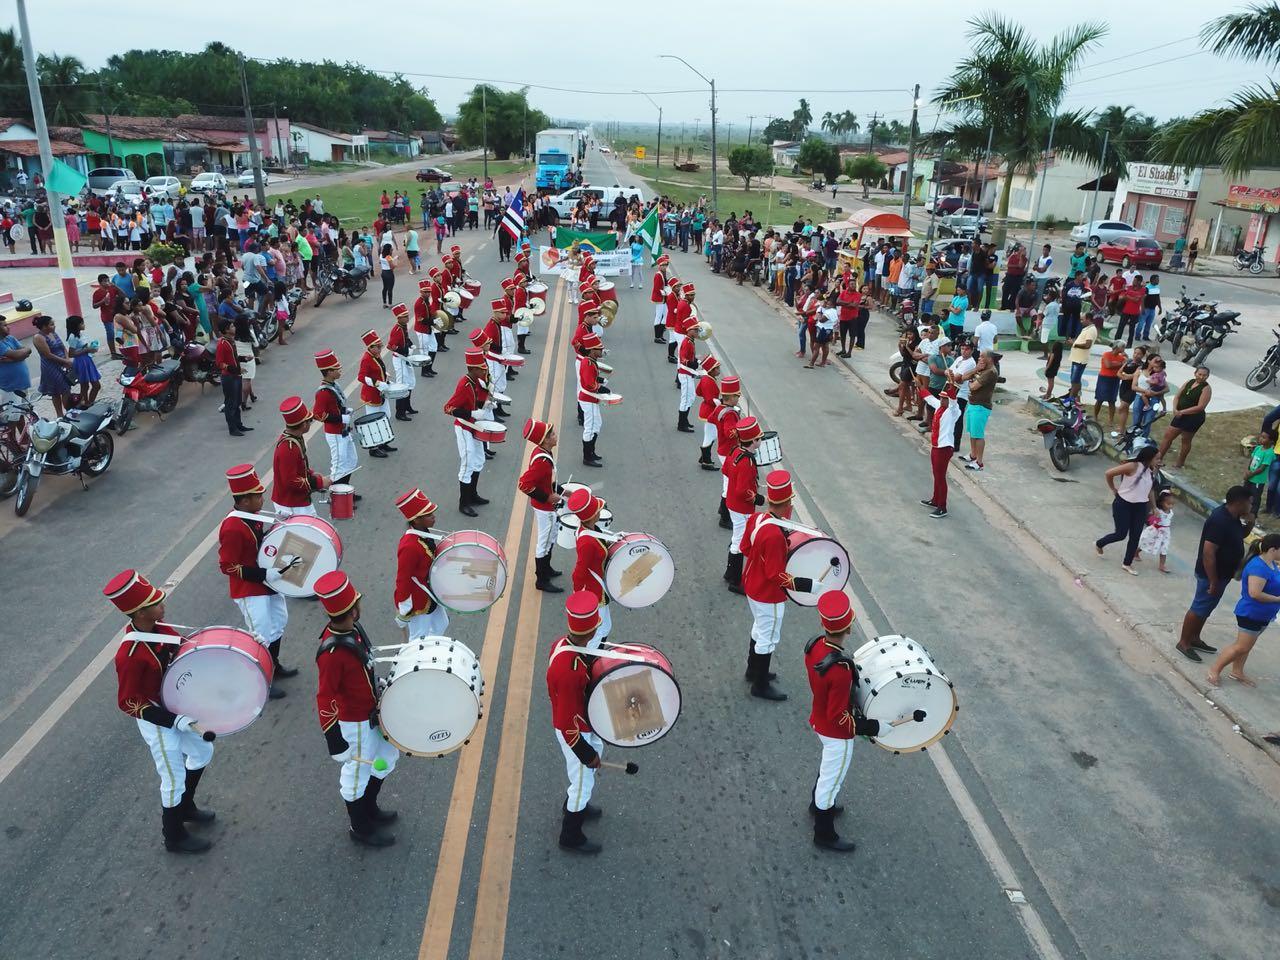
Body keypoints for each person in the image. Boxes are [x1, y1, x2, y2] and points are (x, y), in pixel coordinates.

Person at [103, 569, 216, 854]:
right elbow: (129, 702)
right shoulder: (129, 656)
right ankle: (174, 836)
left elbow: (184, 655)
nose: (163, 604)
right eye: (156, 602)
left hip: (175, 709)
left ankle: (186, 807)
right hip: (156, 719)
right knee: (172, 778)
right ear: (141, 613)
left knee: (203, 752)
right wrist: (173, 720)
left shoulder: (161, 629)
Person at [313, 570, 399, 847]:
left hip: (371, 711)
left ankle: (369, 807)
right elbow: (324, 697)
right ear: (353, 610)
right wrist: (334, 739)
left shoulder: (352, 630)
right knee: (355, 774)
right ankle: (359, 826)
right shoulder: (332, 653)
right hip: (355, 721)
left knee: (388, 756)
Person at [806, 590, 881, 853]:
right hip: (835, 733)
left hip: (817, 718)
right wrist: (871, 727)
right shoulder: (840, 671)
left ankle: (817, 804)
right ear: (849, 627)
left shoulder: (815, 645)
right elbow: (838, 716)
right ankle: (823, 833)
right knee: (832, 780)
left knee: (828, 769)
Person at [217, 464, 297, 699]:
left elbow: (260, 544)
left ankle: (274, 665)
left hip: (269, 582)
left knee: (279, 622)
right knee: (260, 633)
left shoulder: (253, 515)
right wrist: (263, 575)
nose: (262, 499)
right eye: (257, 496)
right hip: (250, 589)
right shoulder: (232, 527)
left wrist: (278, 527)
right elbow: (227, 566)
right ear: (243, 501)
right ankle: (261, 680)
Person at [547, 590, 608, 854]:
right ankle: (570, 835)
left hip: (580, 721)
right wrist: (587, 753)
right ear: (593, 630)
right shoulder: (569, 672)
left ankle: (574, 804)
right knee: (583, 782)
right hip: (576, 731)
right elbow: (566, 724)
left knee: (582, 779)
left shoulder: (563, 644)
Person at [741, 469, 807, 701]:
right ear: (787, 502)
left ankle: (753, 670)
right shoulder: (776, 536)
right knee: (768, 636)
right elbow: (775, 574)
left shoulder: (757, 518)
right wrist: (802, 584)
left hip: (751, 583)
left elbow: (745, 549)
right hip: (768, 594)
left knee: (759, 627)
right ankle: (759, 685)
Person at [1176, 486, 1254, 662]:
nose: (1251, 506)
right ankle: (1184, 642)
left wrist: (1250, 522)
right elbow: (1208, 553)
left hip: (1223, 574)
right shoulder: (1219, 520)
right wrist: (1212, 581)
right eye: (1250, 502)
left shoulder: (1233, 517)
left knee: (1207, 607)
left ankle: (1195, 638)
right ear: (1240, 502)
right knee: (1198, 607)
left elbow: (1239, 536)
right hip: (1211, 575)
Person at [1207, 533, 1280, 687]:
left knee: (1247, 646)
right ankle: (1214, 669)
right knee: (1241, 646)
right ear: (1273, 549)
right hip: (1251, 613)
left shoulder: (1271, 564)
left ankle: (1237, 671)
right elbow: (1255, 593)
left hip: (1263, 614)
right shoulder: (1258, 567)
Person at [392, 487, 449, 638]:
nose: (433, 517)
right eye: (428, 515)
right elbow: (403, 579)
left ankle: (429, 653)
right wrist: (404, 608)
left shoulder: (423, 532)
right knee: (418, 637)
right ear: (416, 519)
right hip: (419, 600)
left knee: (442, 625)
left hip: (431, 592)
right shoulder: (409, 546)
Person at [1094, 445, 1159, 575]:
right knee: (1121, 534)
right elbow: (1109, 473)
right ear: (1149, 457)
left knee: (1135, 535)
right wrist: (1113, 489)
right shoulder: (1133, 466)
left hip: (1140, 506)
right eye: (1157, 458)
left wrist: (1154, 507)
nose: (1159, 461)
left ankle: (1127, 563)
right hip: (1123, 504)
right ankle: (1099, 543)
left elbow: (1150, 490)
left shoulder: (1151, 471)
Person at [443, 346, 492, 517]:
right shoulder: (464, 384)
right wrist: (472, 413)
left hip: (473, 425)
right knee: (467, 463)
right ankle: (463, 503)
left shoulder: (475, 382)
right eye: (481, 368)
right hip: (464, 427)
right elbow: (448, 408)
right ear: (473, 369)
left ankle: (472, 495)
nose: (484, 370)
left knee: (479, 459)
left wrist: (484, 404)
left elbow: (475, 401)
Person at [518, 418, 565, 593]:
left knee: (551, 538)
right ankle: (541, 580)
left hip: (546, 506)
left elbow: (547, 481)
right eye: (552, 434)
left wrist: (563, 491)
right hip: (545, 509)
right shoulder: (541, 461)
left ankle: (547, 569)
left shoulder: (544, 452)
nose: (555, 435)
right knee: (544, 543)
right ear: (544, 440)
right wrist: (547, 498)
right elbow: (524, 484)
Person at [723, 415, 764, 594]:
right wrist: (758, 498)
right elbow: (743, 491)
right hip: (742, 507)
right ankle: (735, 580)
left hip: (732, 503)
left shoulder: (734, 451)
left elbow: (726, 470)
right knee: (739, 542)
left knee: (736, 539)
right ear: (753, 441)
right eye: (759, 438)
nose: (761, 440)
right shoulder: (747, 461)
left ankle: (729, 573)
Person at [271, 397, 328, 517]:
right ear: (303, 425)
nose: (310, 422)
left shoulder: (296, 438)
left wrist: (311, 474)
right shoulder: (288, 448)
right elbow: (291, 481)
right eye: (309, 420)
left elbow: (299, 467)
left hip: (296, 501)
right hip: (291, 504)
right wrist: (319, 482)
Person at [1157, 366, 1212, 469]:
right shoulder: (1189, 382)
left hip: (1193, 418)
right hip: (1179, 414)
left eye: (1204, 375)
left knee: (1186, 439)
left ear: (1207, 376)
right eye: (1199, 374)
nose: (1201, 377)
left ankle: (1180, 462)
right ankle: (1158, 458)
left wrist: (1182, 411)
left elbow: (1200, 407)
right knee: (1168, 436)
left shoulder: (1206, 388)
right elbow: (1177, 396)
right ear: (1195, 373)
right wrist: (1175, 408)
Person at [921, 384, 961, 518]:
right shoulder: (939, 406)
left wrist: (951, 390)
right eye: (941, 398)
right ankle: (935, 499)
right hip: (936, 446)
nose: (942, 400)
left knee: (940, 477)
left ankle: (942, 507)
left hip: (944, 448)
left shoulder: (953, 410)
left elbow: (954, 401)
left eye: (945, 398)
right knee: (936, 475)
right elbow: (929, 398)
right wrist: (921, 388)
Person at [32, 314, 74, 417]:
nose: (54, 326)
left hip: (63, 364)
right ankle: (60, 414)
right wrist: (65, 361)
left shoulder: (53, 333)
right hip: (51, 367)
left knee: (66, 388)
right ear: (44, 326)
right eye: (51, 324)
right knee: (58, 391)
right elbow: (48, 355)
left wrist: (67, 358)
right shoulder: (38, 337)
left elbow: (63, 347)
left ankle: (68, 411)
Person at [213, 319, 249, 437]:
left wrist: (244, 359)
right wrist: (237, 370)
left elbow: (234, 358)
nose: (234, 327)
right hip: (229, 378)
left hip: (236, 376)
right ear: (227, 330)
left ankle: (239, 424)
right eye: (232, 326)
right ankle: (232, 429)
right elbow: (220, 363)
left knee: (237, 402)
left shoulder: (231, 341)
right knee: (230, 404)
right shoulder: (222, 344)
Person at [577, 331, 606, 467]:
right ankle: (587, 456)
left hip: (590, 398)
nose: (601, 350)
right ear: (592, 350)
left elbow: (591, 378)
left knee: (597, 424)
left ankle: (591, 452)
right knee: (590, 427)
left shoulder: (590, 361)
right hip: (589, 398)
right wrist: (600, 388)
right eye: (599, 348)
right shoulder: (588, 363)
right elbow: (589, 384)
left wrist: (600, 380)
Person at [386, 303, 418, 423]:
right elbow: (390, 346)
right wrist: (403, 349)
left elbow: (405, 338)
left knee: (410, 383)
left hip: (405, 358)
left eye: (407, 315)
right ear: (398, 318)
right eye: (404, 316)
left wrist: (410, 344)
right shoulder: (396, 329)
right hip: (399, 359)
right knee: (402, 386)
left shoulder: (403, 326)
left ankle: (407, 407)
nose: (407, 318)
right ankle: (400, 412)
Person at [1137, 488, 1175, 573]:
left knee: (1164, 548)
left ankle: (1162, 565)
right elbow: (1150, 519)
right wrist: (1154, 518)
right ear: (1161, 502)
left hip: (1165, 533)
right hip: (1154, 531)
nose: (1171, 506)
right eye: (1168, 504)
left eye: (1172, 504)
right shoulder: (1158, 511)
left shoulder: (1171, 512)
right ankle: (1136, 553)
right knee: (1146, 543)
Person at [694, 354, 722, 470]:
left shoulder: (706, 378)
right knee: (710, 436)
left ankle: (704, 458)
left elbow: (698, 392)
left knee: (710, 435)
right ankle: (706, 461)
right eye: (717, 368)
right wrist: (722, 403)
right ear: (711, 370)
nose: (719, 370)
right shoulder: (709, 381)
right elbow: (711, 400)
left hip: (706, 410)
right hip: (710, 412)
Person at [1093, 341, 1126, 430]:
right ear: (1117, 347)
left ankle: (1111, 420)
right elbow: (1108, 365)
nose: (1124, 349)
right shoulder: (1106, 354)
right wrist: (1120, 364)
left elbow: (1125, 366)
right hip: (1104, 378)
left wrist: (1121, 362)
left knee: (1112, 401)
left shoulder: (1121, 357)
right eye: (1122, 347)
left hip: (1115, 379)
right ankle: (1095, 416)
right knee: (1100, 399)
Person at [0, 314, 32, 402]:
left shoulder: (10, 339)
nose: (8, 327)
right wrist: (20, 355)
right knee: (13, 414)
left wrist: (13, 358)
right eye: (5, 325)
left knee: (26, 411)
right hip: (10, 388)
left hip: (22, 384)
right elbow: (19, 354)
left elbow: (27, 350)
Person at [1067, 315, 1099, 399]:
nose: (1081, 321)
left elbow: (1087, 345)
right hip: (1076, 358)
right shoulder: (1087, 329)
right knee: (1076, 379)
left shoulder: (1091, 330)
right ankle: (1077, 398)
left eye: (1082, 320)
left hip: (1080, 360)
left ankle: (1071, 399)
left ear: (1088, 319)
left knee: (1075, 380)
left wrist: (1074, 344)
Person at [1246, 429, 1276, 516]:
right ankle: (1244, 509)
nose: (1260, 439)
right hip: (1250, 476)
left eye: (1264, 438)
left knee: (1255, 497)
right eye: (1261, 436)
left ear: (1271, 441)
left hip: (1258, 480)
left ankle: (1253, 514)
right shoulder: (1258, 448)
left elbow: (1262, 468)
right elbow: (1251, 459)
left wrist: (1251, 474)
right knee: (1245, 493)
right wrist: (1247, 470)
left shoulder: (1269, 453)